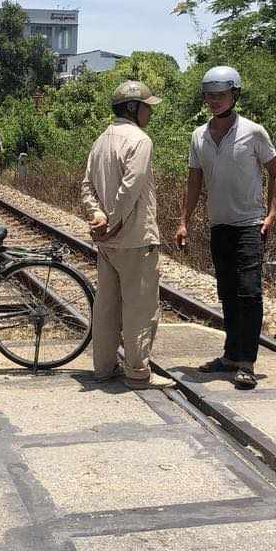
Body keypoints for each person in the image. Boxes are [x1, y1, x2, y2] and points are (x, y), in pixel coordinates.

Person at [174, 66, 276, 390]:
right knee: (228, 294)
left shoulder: (254, 132)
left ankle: (247, 361)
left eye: (221, 95)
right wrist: (184, 221)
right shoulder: (199, 136)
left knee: (249, 292)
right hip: (218, 225)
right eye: (209, 96)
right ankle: (230, 355)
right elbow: (194, 181)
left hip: (250, 224)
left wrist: (272, 214)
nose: (214, 101)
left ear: (234, 95)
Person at [82, 81, 169, 390]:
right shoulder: (140, 140)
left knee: (106, 307)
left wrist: (98, 216)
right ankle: (137, 372)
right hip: (134, 238)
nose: (150, 112)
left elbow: (86, 186)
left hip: (107, 243)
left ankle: (103, 369)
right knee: (140, 308)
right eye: (147, 106)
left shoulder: (101, 141)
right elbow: (130, 189)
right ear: (134, 108)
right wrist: (114, 221)